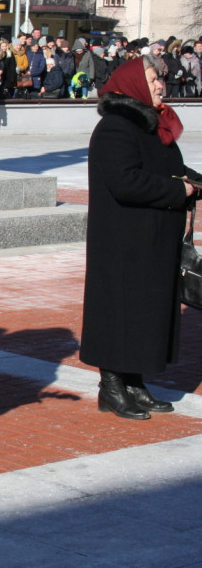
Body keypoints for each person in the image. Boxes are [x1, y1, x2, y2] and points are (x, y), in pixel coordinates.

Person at [81, 56, 201, 420]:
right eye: (151, 80)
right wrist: (178, 191)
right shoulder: (116, 127)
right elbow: (125, 181)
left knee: (144, 314)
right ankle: (112, 388)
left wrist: (194, 183)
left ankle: (134, 384)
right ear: (132, 84)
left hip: (151, 240)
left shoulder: (151, 124)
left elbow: (170, 170)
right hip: (123, 242)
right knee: (120, 313)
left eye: (159, 79)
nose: (160, 85)